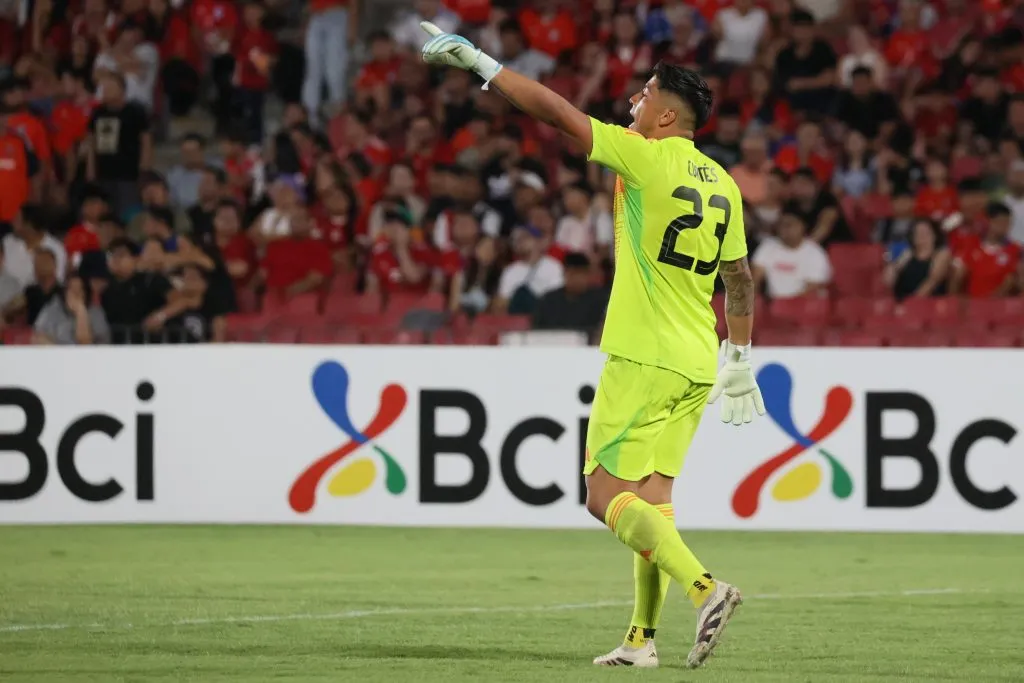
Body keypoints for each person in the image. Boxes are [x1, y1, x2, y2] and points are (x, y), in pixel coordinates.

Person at [420, 23, 762, 669]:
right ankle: (641, 639)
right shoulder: (723, 182)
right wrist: (740, 358)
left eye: (646, 92)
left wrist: (481, 64)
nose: (634, 98)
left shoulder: (643, 153)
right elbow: (739, 278)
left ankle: (706, 588)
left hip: (643, 354)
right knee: (652, 503)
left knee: (603, 494)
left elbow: (554, 110)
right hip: (697, 359)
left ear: (665, 115)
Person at [751, 212, 832, 299]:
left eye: (790, 224)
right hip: (773, 304)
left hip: (804, 304)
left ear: (802, 226)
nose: (785, 228)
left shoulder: (815, 252)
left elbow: (813, 287)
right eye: (781, 224)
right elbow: (755, 278)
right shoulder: (768, 245)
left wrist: (786, 305)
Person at [883, 219, 951, 301]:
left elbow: (932, 282)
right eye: (917, 233)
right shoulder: (907, 254)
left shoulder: (942, 254)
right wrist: (893, 267)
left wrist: (911, 303)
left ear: (935, 235)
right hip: (901, 302)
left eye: (925, 232)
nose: (921, 236)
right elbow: (888, 280)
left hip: (927, 303)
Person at [32, 274, 110, 345]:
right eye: (72, 289)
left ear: (86, 293)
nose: (75, 293)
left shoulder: (95, 312)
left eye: (79, 289)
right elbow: (37, 337)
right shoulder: (54, 307)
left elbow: (85, 344)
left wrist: (81, 311)